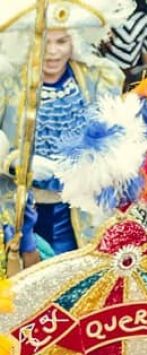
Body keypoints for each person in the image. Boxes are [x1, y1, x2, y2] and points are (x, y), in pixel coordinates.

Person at [1, 19, 124, 262]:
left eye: (61, 41)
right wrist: (17, 162)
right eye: (44, 42)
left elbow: (116, 135)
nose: (52, 52)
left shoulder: (98, 78)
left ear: (74, 43)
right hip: (18, 210)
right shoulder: (7, 81)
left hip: (79, 212)